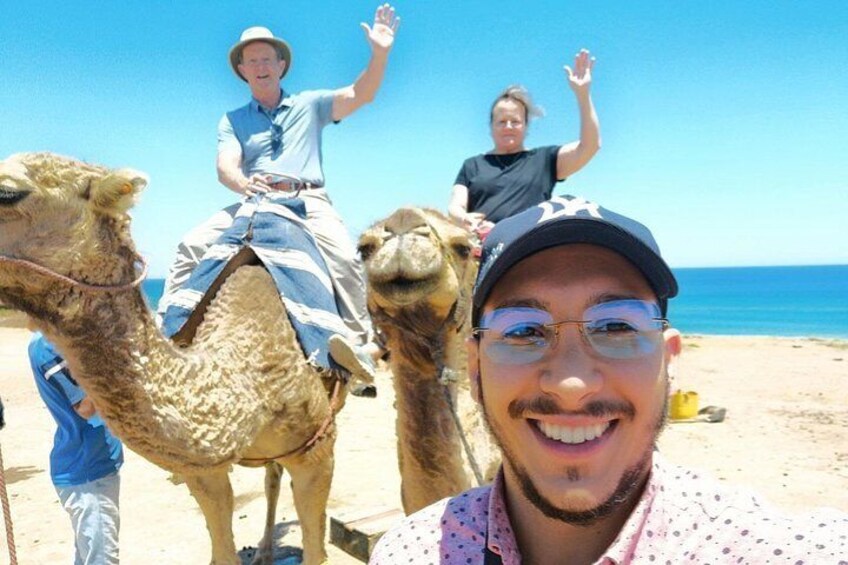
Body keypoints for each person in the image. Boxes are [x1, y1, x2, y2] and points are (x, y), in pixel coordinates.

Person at [371, 195, 847, 564]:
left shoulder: (754, 543)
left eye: (617, 325)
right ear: (475, 367)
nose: (571, 383)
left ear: (669, 359)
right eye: (522, 331)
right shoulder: (409, 551)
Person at [157, 4, 401, 388]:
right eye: (251, 60)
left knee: (343, 259)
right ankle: (164, 336)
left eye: (267, 58)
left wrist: (380, 53)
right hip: (253, 198)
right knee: (190, 245)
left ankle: (358, 351)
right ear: (241, 70)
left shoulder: (310, 104)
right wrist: (241, 183)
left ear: (281, 64)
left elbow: (361, 93)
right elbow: (226, 165)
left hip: (308, 201)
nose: (260, 65)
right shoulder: (233, 119)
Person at [448, 50, 601, 237]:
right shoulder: (472, 165)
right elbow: (455, 206)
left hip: (527, 251)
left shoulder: (544, 160)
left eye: (515, 121)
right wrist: (464, 218)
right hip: (480, 250)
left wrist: (583, 94)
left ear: (526, 125)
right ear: (491, 126)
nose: (508, 126)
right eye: (501, 121)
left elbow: (590, 146)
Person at [29, 332, 123, 565]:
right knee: (101, 559)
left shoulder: (60, 338)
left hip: (93, 463)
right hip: (88, 471)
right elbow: (85, 406)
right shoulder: (49, 346)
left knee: (88, 556)